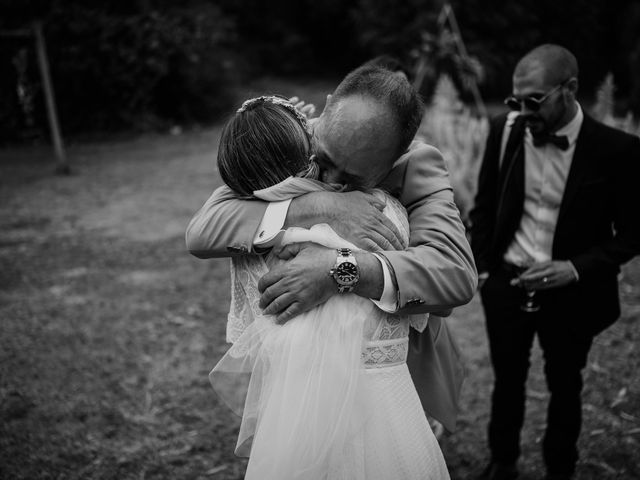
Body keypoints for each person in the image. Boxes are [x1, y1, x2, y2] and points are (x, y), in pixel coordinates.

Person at [186, 64, 477, 433]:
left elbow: (455, 274)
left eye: (352, 179)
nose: (328, 181)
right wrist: (319, 207)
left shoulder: (418, 166)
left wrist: (342, 269)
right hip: (307, 376)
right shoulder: (298, 133)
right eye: (322, 161)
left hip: (397, 375)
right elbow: (202, 230)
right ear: (326, 109)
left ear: (396, 157)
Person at [210, 94, 450, 479]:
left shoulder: (249, 241)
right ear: (309, 152)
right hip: (385, 415)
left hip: (289, 422)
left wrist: (336, 270)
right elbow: (431, 309)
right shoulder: (386, 216)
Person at [470, 44, 640, 480]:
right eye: (515, 101)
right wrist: (486, 270)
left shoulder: (617, 150)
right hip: (506, 285)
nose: (523, 111)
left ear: (571, 89)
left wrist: (577, 267)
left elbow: (635, 231)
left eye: (535, 100)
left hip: (573, 293)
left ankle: (560, 469)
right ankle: (502, 462)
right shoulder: (504, 131)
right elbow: (484, 207)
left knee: (567, 384)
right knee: (507, 382)